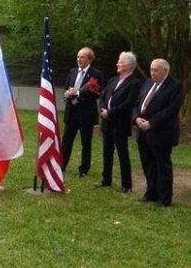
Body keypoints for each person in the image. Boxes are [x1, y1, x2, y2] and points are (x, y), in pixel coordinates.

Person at [132, 59, 183, 207]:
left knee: (162, 166)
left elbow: (171, 110)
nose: (152, 73)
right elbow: (137, 104)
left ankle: (164, 198)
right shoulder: (147, 83)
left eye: (156, 70)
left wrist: (152, 123)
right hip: (143, 132)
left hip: (161, 133)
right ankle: (151, 193)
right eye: (151, 69)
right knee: (148, 164)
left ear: (165, 71)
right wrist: (136, 118)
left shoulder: (175, 86)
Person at [97, 52, 141, 193]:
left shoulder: (134, 83)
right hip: (107, 123)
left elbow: (128, 104)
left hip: (119, 123)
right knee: (106, 152)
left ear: (128, 65)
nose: (117, 64)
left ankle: (126, 185)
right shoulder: (113, 80)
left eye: (120, 62)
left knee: (122, 154)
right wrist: (102, 110)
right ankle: (106, 180)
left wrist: (110, 112)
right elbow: (103, 96)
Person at [61, 47, 104, 177]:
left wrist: (78, 93)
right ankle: (61, 164)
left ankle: (83, 169)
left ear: (89, 59)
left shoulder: (96, 74)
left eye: (82, 57)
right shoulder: (72, 72)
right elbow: (67, 86)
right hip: (72, 112)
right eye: (78, 57)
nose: (79, 59)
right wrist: (68, 93)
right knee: (66, 140)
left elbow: (96, 93)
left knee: (86, 142)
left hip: (86, 114)